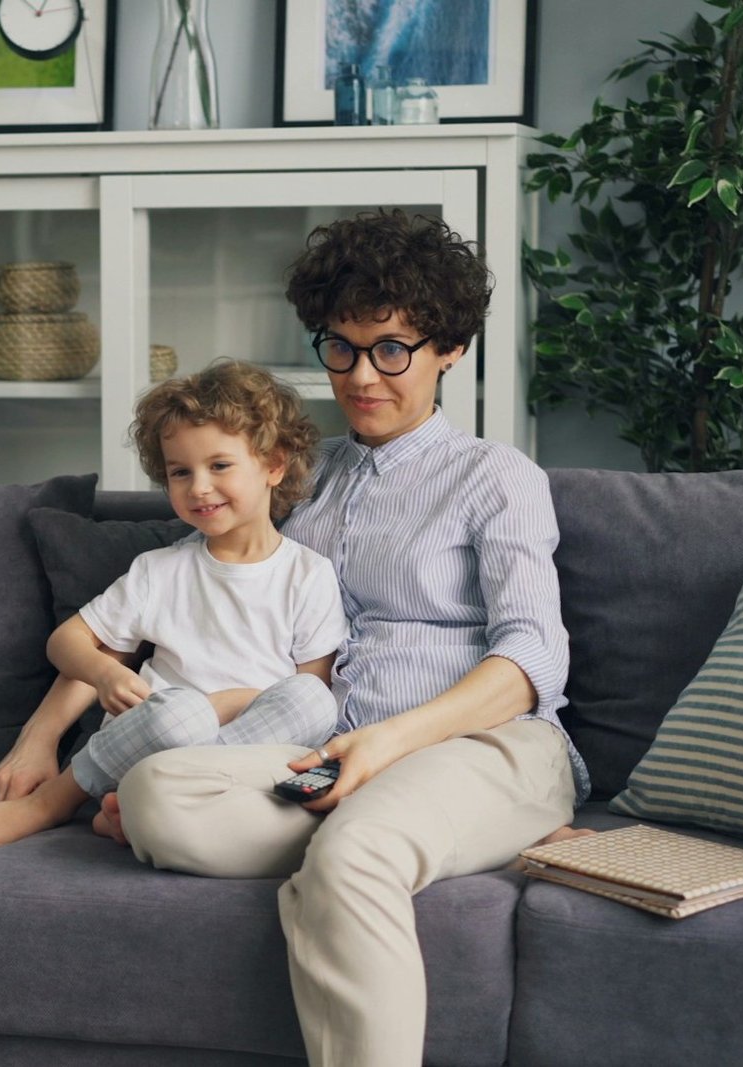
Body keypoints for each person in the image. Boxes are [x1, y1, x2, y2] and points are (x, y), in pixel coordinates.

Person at [111, 211, 593, 1067]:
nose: (363, 375)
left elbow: (532, 661)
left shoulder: (497, 477)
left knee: (355, 852)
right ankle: (421, 841)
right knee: (153, 793)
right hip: (322, 754)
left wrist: (387, 744)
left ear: (448, 349)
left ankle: (394, 842)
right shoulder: (301, 475)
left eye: (393, 349)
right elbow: (190, 586)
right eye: (342, 347)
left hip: (490, 746)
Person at [0, 360, 348, 855]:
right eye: (180, 472)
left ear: (274, 464)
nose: (199, 487)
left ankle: (138, 808)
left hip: (248, 750)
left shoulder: (308, 574)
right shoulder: (159, 571)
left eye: (219, 465)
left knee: (314, 703)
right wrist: (103, 673)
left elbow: (309, 688)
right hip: (160, 737)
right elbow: (66, 642)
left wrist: (227, 705)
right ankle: (51, 803)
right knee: (181, 714)